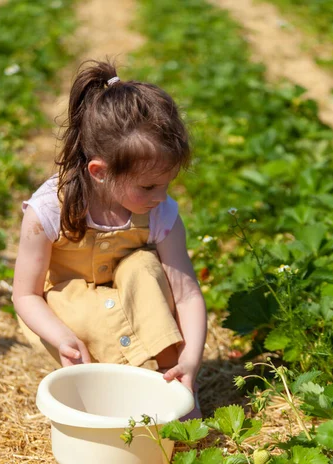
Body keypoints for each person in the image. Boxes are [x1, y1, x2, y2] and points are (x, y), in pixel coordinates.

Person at [13, 60, 207, 412]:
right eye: (148, 186)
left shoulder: (160, 212)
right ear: (99, 172)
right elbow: (25, 295)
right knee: (78, 304)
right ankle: (112, 387)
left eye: (167, 184)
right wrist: (62, 339)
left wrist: (192, 356)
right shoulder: (49, 211)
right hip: (73, 311)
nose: (160, 197)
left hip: (135, 301)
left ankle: (169, 373)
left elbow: (187, 293)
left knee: (143, 267)